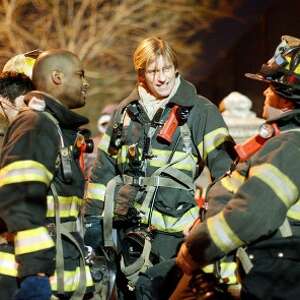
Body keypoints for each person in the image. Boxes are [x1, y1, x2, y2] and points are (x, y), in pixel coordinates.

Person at [84, 36, 236, 297]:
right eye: (154, 71)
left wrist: (210, 219)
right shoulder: (125, 113)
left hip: (175, 239)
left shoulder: (201, 111)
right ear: (141, 74)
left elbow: (227, 172)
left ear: (175, 68)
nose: (162, 78)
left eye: (166, 69)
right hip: (125, 234)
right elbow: (103, 171)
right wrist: (93, 227)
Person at [174, 35, 300, 300]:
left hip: (271, 276)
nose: (265, 93)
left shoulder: (291, 147)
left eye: (271, 87)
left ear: (287, 101)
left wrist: (196, 248)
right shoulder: (284, 142)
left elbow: (252, 215)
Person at [0, 49, 94, 299]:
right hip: (34, 279)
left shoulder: (55, 127)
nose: (86, 83)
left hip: (61, 275)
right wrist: (35, 273)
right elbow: (20, 197)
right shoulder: (36, 124)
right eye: (80, 75)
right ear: (57, 77)